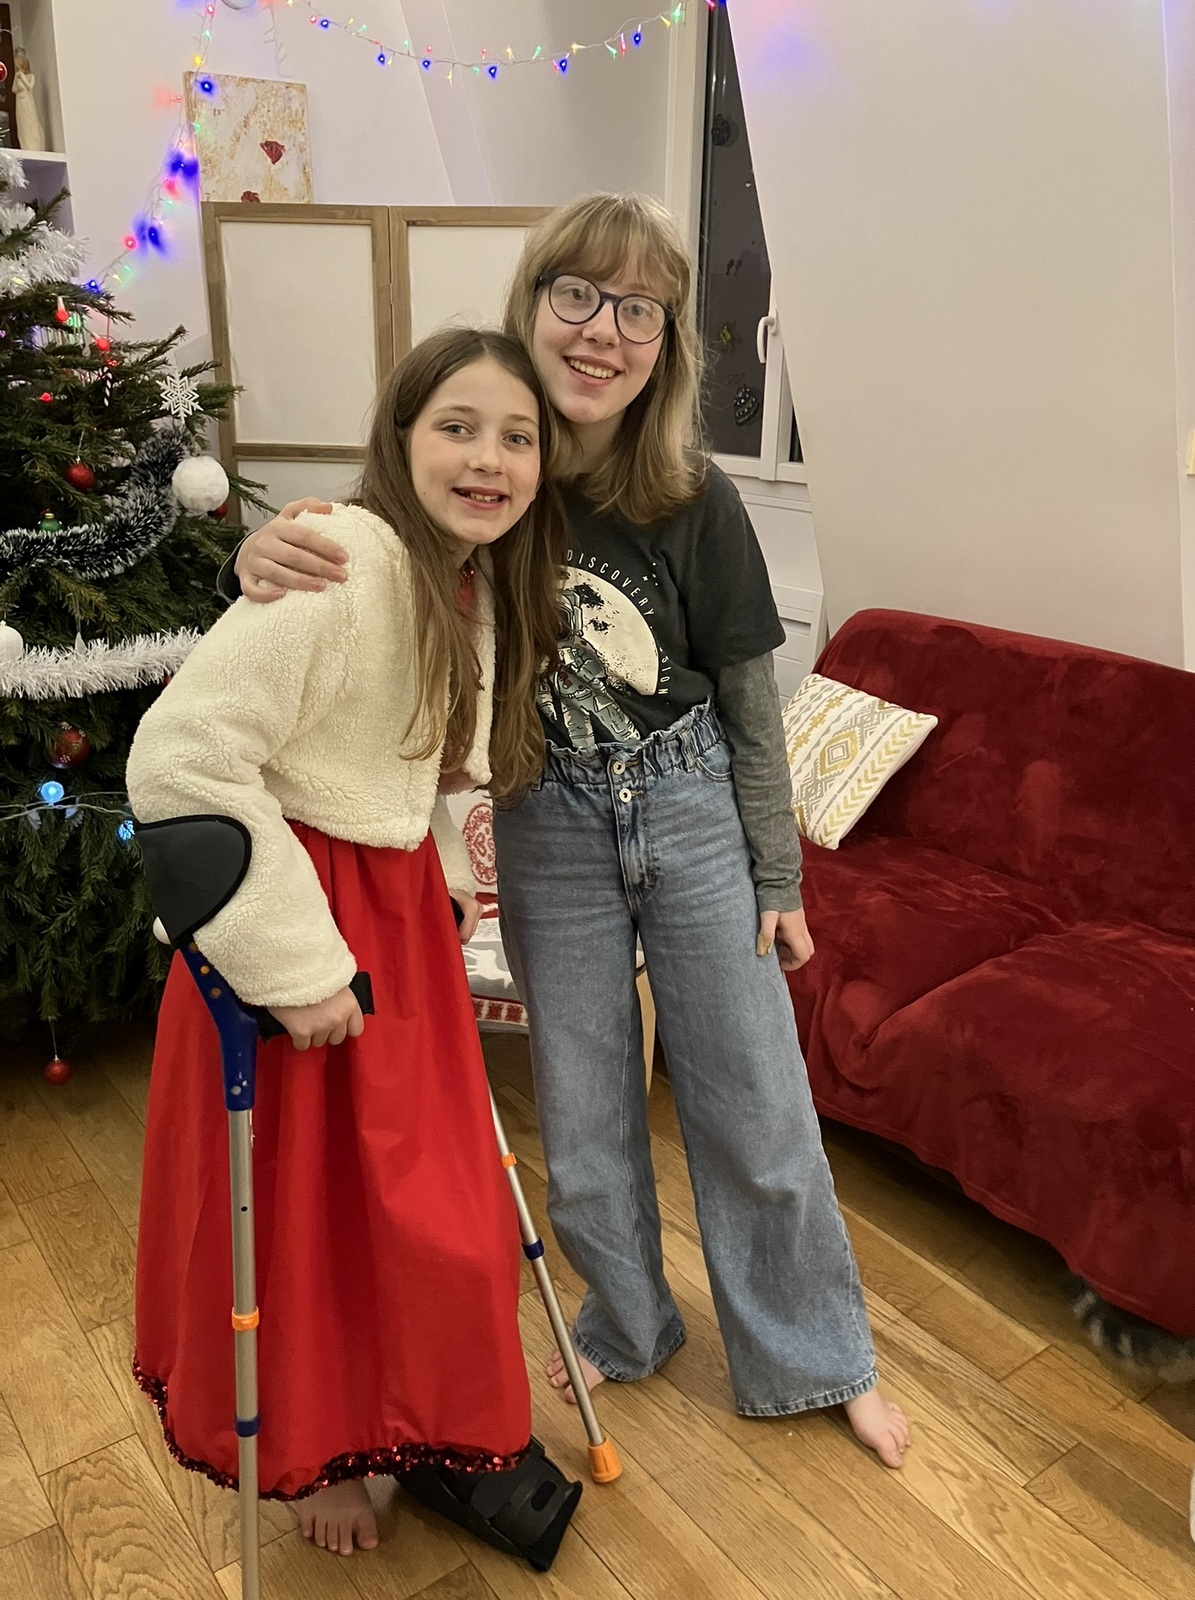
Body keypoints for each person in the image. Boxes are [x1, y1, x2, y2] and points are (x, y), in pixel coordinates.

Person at [223, 194, 911, 1469]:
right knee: (586, 1112)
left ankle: (818, 1351)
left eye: (638, 309)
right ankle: (625, 1321)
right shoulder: (482, 471)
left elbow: (752, 703)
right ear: (534, 302)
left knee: (756, 1101)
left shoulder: (695, 497)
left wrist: (777, 869)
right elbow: (351, 554)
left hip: (693, 803)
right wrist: (259, 554)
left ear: (667, 341)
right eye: (578, 295)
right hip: (544, 818)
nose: (603, 330)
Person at [125, 328, 582, 1565]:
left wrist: (443, 882)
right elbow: (181, 758)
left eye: (517, 437)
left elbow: (398, 773)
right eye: (457, 428)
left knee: (414, 1212)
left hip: (394, 926)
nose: (487, 459)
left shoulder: (471, 585)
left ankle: (392, 1419)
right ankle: (318, 1455)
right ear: (401, 436)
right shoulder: (344, 562)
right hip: (301, 931)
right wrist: (297, 966)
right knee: (309, 1220)